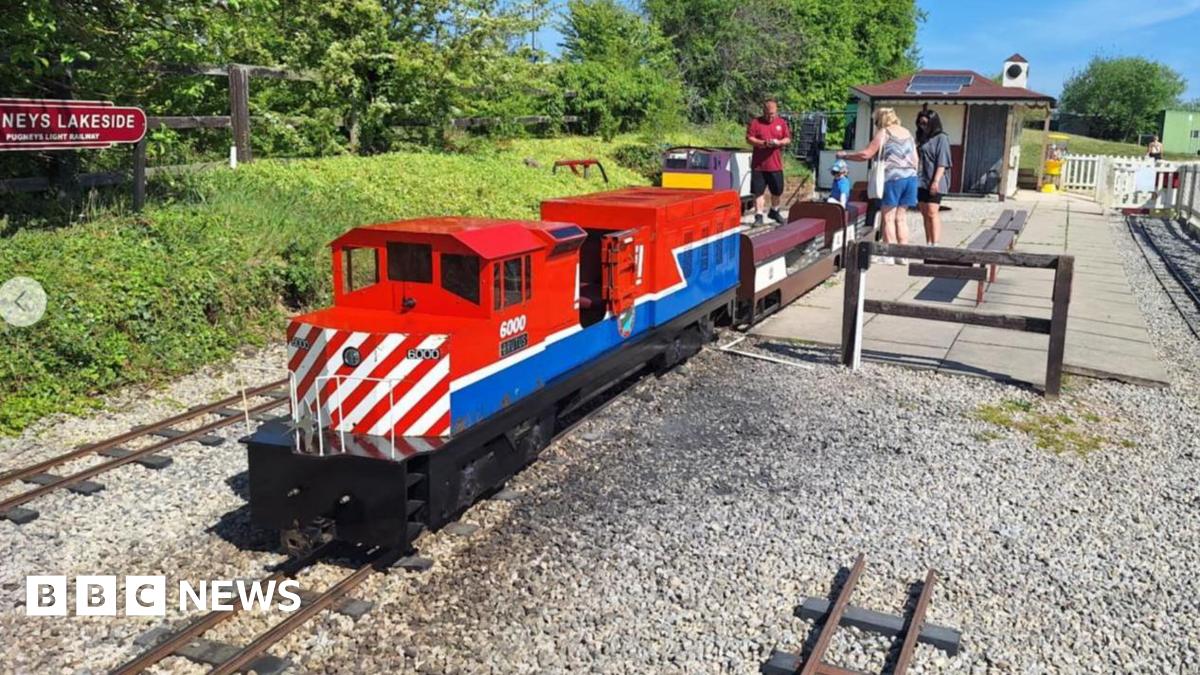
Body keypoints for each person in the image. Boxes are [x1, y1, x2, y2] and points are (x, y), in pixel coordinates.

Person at [836, 107, 918, 263]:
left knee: (888, 217)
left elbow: (866, 154)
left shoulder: (885, 133)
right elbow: (916, 160)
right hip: (911, 179)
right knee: (901, 218)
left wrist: (845, 155)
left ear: (880, 120)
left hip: (893, 179)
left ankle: (889, 255)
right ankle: (903, 256)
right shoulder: (908, 133)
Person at [746, 98, 791, 225]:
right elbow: (749, 139)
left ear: (776, 112)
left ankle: (774, 211)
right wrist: (763, 143)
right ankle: (758, 216)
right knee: (758, 191)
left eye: (773, 114)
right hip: (759, 165)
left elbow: (787, 139)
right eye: (768, 114)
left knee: (777, 190)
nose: (770, 117)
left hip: (775, 164)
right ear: (763, 111)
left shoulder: (781, 123)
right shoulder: (756, 122)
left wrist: (779, 142)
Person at [915, 109, 951, 246]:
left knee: (932, 211)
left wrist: (935, 181)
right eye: (920, 124)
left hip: (936, 178)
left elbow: (942, 162)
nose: (922, 126)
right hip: (922, 179)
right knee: (924, 212)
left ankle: (935, 243)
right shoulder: (921, 138)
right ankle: (928, 241)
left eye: (925, 123)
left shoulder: (942, 138)